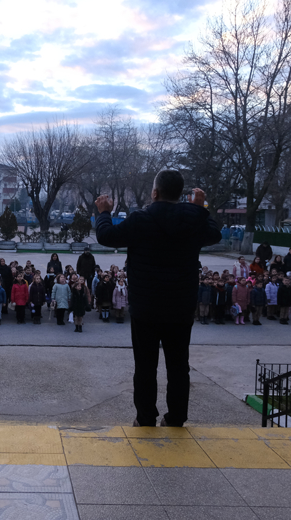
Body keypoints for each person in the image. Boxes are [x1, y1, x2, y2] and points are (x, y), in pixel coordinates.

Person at [95, 170, 221, 427]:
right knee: (179, 366)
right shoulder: (194, 219)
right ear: (180, 194)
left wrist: (104, 213)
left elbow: (106, 236)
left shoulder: (141, 219)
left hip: (146, 307)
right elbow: (214, 234)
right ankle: (176, 418)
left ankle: (145, 418)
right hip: (180, 307)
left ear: (154, 193)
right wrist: (201, 209)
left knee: (145, 366)